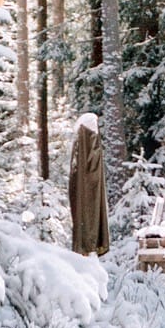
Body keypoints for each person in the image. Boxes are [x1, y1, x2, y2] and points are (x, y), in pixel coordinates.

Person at [68, 109, 108, 255]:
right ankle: (88, 248)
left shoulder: (85, 140)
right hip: (86, 198)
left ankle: (89, 247)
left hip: (88, 195)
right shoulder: (88, 138)